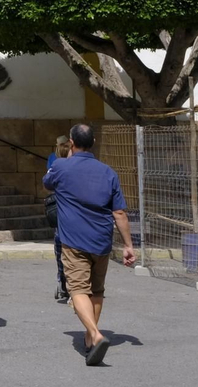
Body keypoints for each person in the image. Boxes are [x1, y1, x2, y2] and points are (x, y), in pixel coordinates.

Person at [45, 124, 136, 366]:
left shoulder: (61, 165)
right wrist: (128, 245)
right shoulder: (108, 172)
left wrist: (67, 157)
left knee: (77, 291)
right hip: (101, 240)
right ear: (93, 142)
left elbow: (48, 183)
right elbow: (119, 213)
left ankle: (95, 334)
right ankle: (89, 339)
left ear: (72, 143)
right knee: (96, 291)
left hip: (73, 241)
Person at [44, 135, 71, 303]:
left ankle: (63, 281)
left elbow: (47, 183)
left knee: (61, 250)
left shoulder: (54, 164)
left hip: (62, 216)